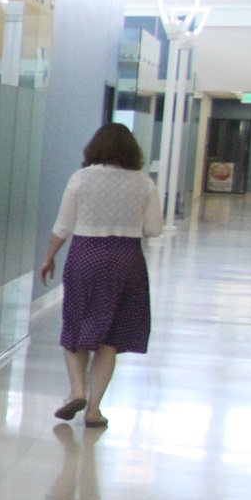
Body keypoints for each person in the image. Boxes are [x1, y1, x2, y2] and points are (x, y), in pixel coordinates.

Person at [40, 122, 160, 431]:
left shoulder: (81, 178)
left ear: (95, 147)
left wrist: (49, 256)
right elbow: (154, 229)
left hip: (86, 256)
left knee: (76, 323)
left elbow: (63, 225)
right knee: (110, 337)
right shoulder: (144, 183)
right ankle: (94, 410)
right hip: (127, 259)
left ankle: (77, 390)